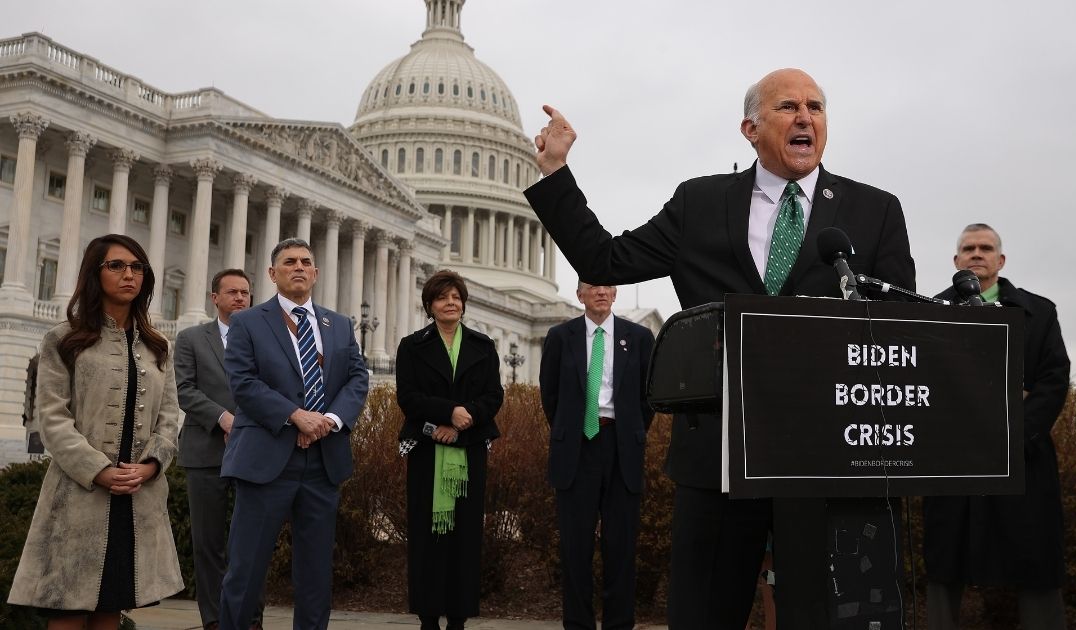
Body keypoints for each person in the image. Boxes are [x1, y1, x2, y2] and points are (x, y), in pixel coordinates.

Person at [525, 68, 916, 629]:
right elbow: (604, 261)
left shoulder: (874, 211)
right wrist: (557, 172)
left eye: (816, 107)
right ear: (750, 128)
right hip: (718, 457)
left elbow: (898, 327)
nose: (805, 117)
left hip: (827, 459)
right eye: (788, 107)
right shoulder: (700, 203)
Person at [7, 234, 183, 628]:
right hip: (78, 496)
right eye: (116, 266)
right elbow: (52, 418)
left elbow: (170, 417)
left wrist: (152, 465)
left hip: (137, 499)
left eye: (137, 268)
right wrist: (99, 470)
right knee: (68, 611)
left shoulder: (159, 348)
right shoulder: (63, 339)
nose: (129, 275)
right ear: (94, 273)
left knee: (110, 611)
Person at [923, 224, 1070, 629]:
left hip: (1022, 459)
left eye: (985, 248)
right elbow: (924, 387)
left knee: (1035, 561)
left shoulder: (1039, 312)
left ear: (1000, 260)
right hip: (954, 464)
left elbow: (1053, 380)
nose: (976, 254)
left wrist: (1011, 434)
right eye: (968, 248)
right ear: (956, 261)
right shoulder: (928, 311)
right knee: (945, 563)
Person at [218, 238, 369, 630]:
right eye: (289, 262)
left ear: (316, 273)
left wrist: (329, 421)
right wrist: (294, 416)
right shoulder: (247, 322)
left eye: (305, 262)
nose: (298, 267)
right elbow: (243, 383)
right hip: (266, 461)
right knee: (246, 569)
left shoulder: (339, 325)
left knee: (316, 574)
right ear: (272, 274)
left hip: (323, 464)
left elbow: (356, 377)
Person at [540, 282, 655, 630]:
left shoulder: (639, 337)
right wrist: (574, 426)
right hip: (577, 448)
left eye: (607, 286)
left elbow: (647, 397)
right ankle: (578, 624)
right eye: (592, 287)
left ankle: (619, 624)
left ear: (615, 293)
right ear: (580, 295)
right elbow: (551, 396)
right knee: (575, 547)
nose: (601, 292)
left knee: (620, 545)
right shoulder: (561, 337)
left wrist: (629, 430)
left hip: (621, 448)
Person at [395, 269, 504, 630]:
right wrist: (446, 414)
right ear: (430, 304)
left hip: (469, 449)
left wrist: (467, 416)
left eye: (456, 297)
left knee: (464, 540)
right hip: (428, 450)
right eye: (443, 297)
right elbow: (408, 396)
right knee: (427, 540)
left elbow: (494, 394)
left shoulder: (483, 346)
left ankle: (458, 619)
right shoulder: (412, 346)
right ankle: (428, 619)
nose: (451, 303)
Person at [174, 268, 264, 630]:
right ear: (215, 298)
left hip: (255, 452)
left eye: (245, 292)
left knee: (252, 543)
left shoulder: (265, 341)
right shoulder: (191, 338)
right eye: (232, 292)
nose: (240, 298)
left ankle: (251, 618)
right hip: (205, 451)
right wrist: (225, 419)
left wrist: (246, 424)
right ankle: (213, 620)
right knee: (208, 543)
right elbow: (185, 390)